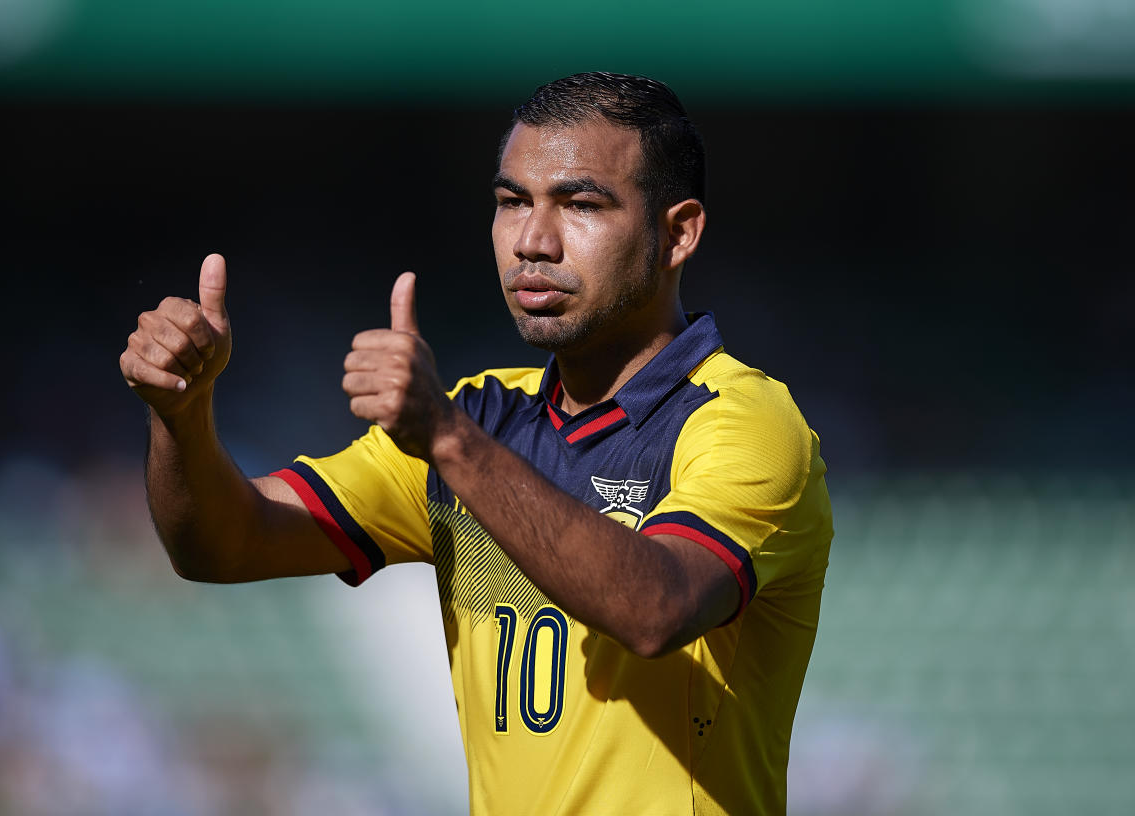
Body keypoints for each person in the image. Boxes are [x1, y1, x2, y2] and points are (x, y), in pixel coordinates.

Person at [119, 72, 833, 816]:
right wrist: (183, 416)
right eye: (511, 202)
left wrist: (448, 442)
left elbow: (656, 609)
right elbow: (221, 545)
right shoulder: (479, 416)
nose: (533, 240)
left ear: (677, 233)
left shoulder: (745, 422)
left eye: (582, 204)